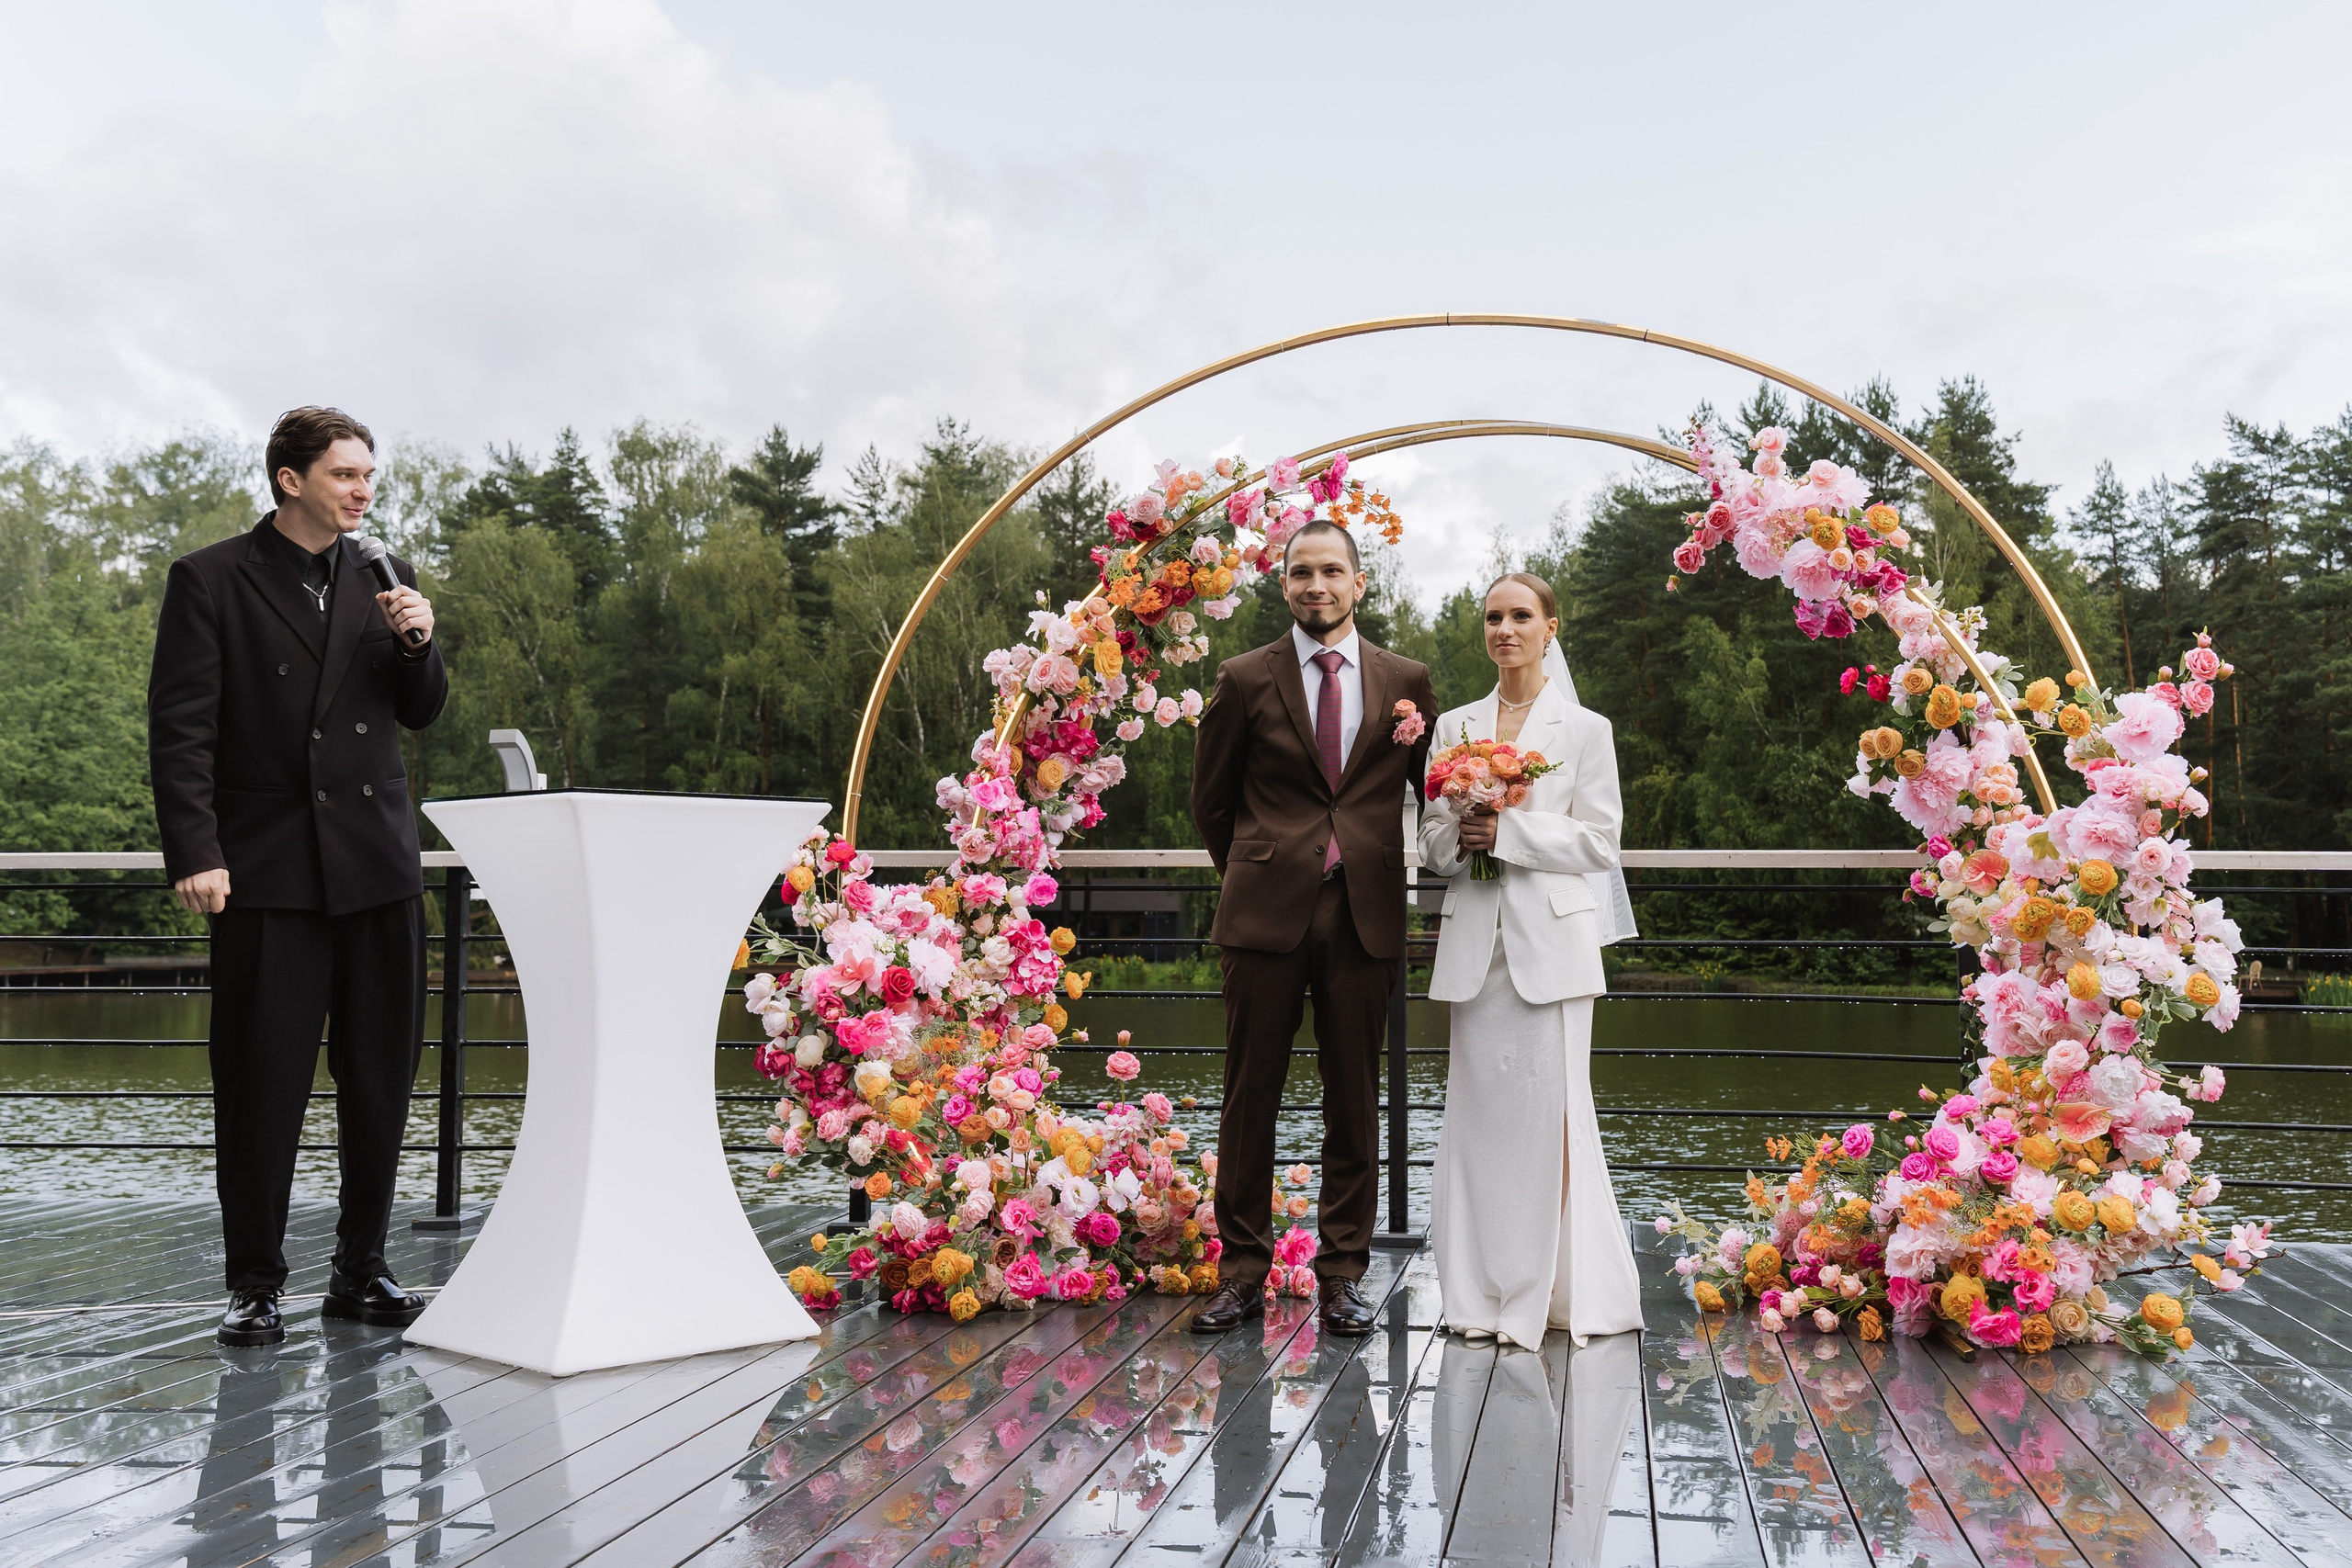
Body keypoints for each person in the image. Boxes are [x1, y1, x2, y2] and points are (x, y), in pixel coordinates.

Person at [149, 406, 448, 1348]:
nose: (363, 491)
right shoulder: (211, 579)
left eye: (368, 476)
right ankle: (254, 1282)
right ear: (291, 481)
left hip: (377, 869)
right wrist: (195, 851)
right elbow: (181, 728)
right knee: (260, 1085)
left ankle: (360, 1271)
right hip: (268, 870)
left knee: (377, 1082)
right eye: (345, 475)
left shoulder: (382, 575)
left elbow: (421, 712)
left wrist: (420, 640)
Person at [1189, 520, 1437, 1337]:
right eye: (1301, 572)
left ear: (1360, 583)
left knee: (1354, 1100)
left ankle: (1341, 1275)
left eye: (1332, 571)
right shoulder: (1242, 676)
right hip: (1262, 910)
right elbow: (1212, 802)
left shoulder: (1408, 681)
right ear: (1284, 583)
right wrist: (1262, 868)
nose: (1316, 585)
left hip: (1363, 911)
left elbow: (1427, 792)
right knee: (1248, 1096)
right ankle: (1241, 1272)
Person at [1418, 571, 1643, 1348]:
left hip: (1552, 949)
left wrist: (1508, 833)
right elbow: (1434, 846)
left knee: (1550, 1123)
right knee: (1479, 1125)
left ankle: (1550, 1293)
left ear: (1552, 627)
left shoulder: (1585, 729)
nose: (1504, 628)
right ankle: (1479, 1295)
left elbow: (1599, 843)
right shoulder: (1455, 725)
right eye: (1492, 617)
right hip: (1477, 947)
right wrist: (1464, 827)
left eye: (1520, 616)